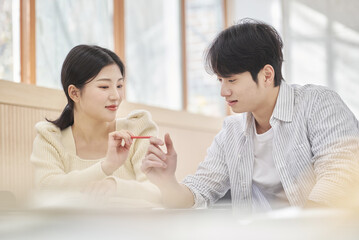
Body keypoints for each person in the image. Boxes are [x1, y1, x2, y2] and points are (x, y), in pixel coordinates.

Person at [141, 19, 359, 213]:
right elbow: (199, 191)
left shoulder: (318, 103)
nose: (223, 92)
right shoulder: (232, 131)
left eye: (232, 80)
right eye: (220, 80)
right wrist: (168, 182)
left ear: (266, 75)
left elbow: (340, 174)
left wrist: (302, 231)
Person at [30, 45, 161, 206]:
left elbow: (157, 192)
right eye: (104, 87)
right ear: (74, 93)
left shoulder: (138, 129)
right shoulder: (50, 138)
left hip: (132, 229)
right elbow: (47, 191)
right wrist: (106, 167)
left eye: (119, 86)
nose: (116, 96)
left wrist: (115, 186)